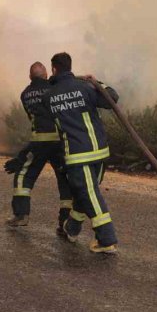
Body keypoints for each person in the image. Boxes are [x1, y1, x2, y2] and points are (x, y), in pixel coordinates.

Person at [45, 52, 120, 254]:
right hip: (100, 152)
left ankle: (106, 240)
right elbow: (112, 98)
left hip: (78, 155)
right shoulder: (85, 87)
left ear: (53, 69)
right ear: (70, 67)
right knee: (85, 193)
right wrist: (97, 82)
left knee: (89, 194)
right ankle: (72, 227)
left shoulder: (49, 95)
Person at [3, 62, 74, 234]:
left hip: (39, 143)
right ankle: (65, 222)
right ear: (46, 75)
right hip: (59, 142)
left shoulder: (25, 94)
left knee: (23, 176)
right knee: (65, 181)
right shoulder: (55, 88)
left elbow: (32, 116)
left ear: (30, 77)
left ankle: (20, 215)